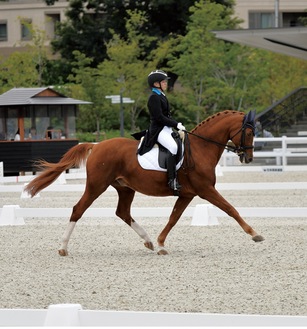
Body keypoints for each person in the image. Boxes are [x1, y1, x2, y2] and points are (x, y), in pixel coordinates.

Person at [138, 69, 186, 193]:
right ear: (156, 84)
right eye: (163, 82)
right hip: (158, 130)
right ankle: (172, 180)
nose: (166, 83)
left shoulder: (161, 95)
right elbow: (159, 117)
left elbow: (167, 116)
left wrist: (176, 124)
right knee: (173, 148)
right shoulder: (154, 97)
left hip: (166, 128)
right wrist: (176, 124)